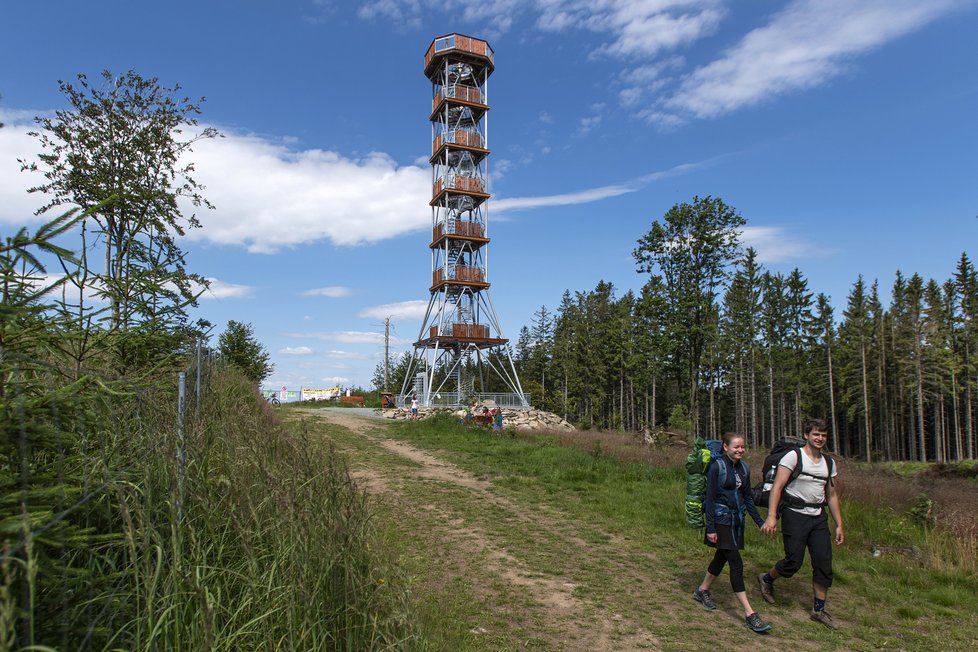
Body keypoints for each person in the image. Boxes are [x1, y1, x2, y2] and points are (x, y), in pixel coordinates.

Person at [758, 418, 844, 629]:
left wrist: (839, 524)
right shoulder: (793, 457)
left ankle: (819, 609)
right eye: (816, 434)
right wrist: (771, 516)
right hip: (794, 514)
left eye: (823, 435)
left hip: (818, 517)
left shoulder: (829, 463)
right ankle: (767, 578)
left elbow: (831, 495)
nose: (820, 438)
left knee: (823, 563)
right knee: (793, 561)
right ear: (806, 435)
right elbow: (777, 487)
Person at [693, 432, 772, 634]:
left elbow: (747, 498)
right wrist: (710, 527)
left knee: (722, 557)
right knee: (736, 562)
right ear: (725, 447)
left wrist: (760, 522)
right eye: (736, 447)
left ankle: (702, 590)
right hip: (720, 519)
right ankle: (749, 614)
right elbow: (709, 499)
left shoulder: (744, 468)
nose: (740, 450)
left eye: (742, 447)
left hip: (736, 521)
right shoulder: (716, 467)